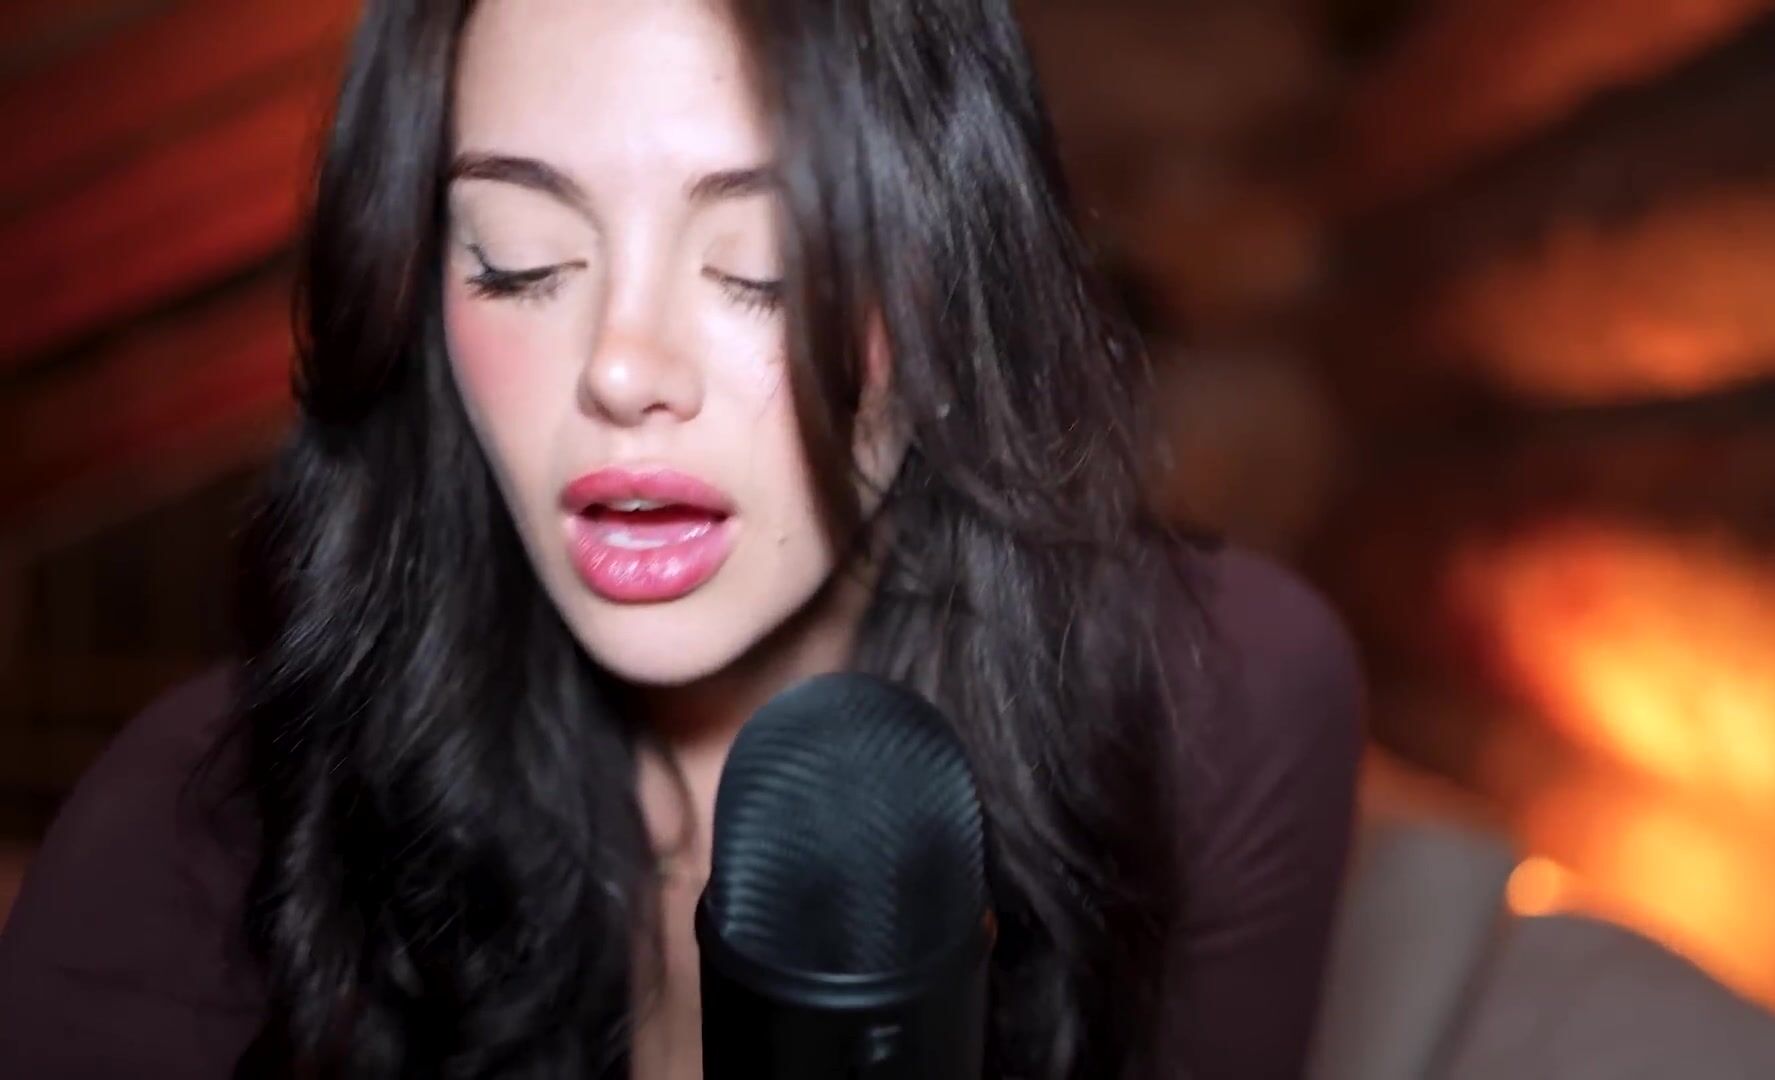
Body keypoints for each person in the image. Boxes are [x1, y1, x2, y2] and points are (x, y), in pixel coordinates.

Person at [0, 1, 1363, 1076]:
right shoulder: (191, 839)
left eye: (761, 264)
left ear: (954, 288)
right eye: (520, 258)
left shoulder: (1212, 704)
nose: (621, 364)